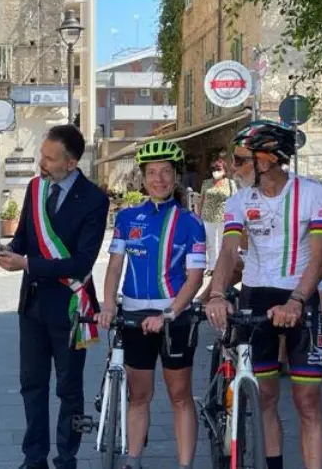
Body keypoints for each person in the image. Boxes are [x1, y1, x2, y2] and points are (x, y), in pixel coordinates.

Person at [204, 119, 322, 469]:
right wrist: (216, 293)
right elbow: (229, 252)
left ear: (268, 160)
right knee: (265, 396)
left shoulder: (315, 193)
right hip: (256, 297)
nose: (233, 167)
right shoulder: (238, 202)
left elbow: (320, 257)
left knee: (307, 399)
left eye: (241, 160)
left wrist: (296, 300)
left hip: (298, 296)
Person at [0, 124, 110, 469]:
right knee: (31, 385)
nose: (40, 163)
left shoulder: (94, 200)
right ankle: (34, 458)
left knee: (69, 389)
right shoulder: (35, 188)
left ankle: (66, 458)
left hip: (71, 306)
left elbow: (81, 262)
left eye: (49, 158)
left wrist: (27, 262)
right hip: (32, 306)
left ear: (71, 164)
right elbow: (22, 243)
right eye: (41, 155)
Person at [97, 140, 206, 469]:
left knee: (179, 395)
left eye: (166, 173)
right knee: (139, 394)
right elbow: (115, 266)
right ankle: (133, 459)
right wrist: (107, 306)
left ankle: (185, 464)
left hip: (175, 316)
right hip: (133, 314)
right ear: (143, 178)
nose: (159, 179)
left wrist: (170, 313)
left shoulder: (190, 222)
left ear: (175, 178)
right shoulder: (128, 218)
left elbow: (195, 277)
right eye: (152, 173)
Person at [196, 153, 237, 276]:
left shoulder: (230, 183)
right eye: (213, 169)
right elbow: (201, 200)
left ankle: (222, 267)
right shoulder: (206, 183)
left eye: (218, 169)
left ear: (224, 170)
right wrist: (197, 216)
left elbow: (235, 201)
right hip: (208, 216)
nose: (215, 172)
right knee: (210, 243)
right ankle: (212, 267)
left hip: (225, 217)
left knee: (222, 243)